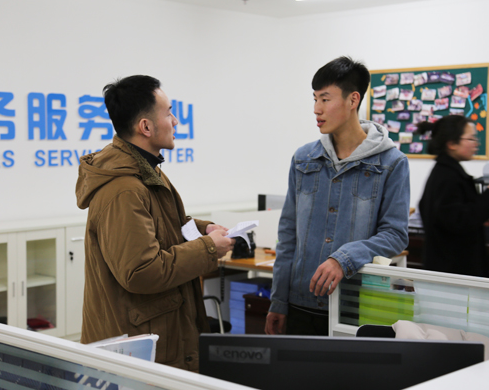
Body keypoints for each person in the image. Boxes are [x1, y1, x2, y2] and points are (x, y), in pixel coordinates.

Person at [75, 75, 234, 372]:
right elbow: (141, 271)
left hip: (158, 332)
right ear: (146, 127)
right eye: (169, 113)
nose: (175, 121)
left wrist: (203, 230)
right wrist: (208, 248)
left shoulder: (146, 170)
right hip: (136, 346)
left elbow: (164, 224)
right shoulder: (124, 189)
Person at [265, 56, 410, 336]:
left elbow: (395, 235)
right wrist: (278, 301)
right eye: (315, 99)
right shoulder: (304, 159)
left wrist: (344, 258)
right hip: (300, 303)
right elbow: (288, 235)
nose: (317, 109)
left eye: (325, 99)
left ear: (353, 99)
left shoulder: (392, 163)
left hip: (352, 305)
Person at [417, 116, 489, 277]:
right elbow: (457, 221)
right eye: (471, 138)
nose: (476, 143)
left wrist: (481, 217)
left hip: (450, 266)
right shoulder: (447, 176)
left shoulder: (447, 171)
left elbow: (454, 215)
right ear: (452, 144)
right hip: (452, 270)